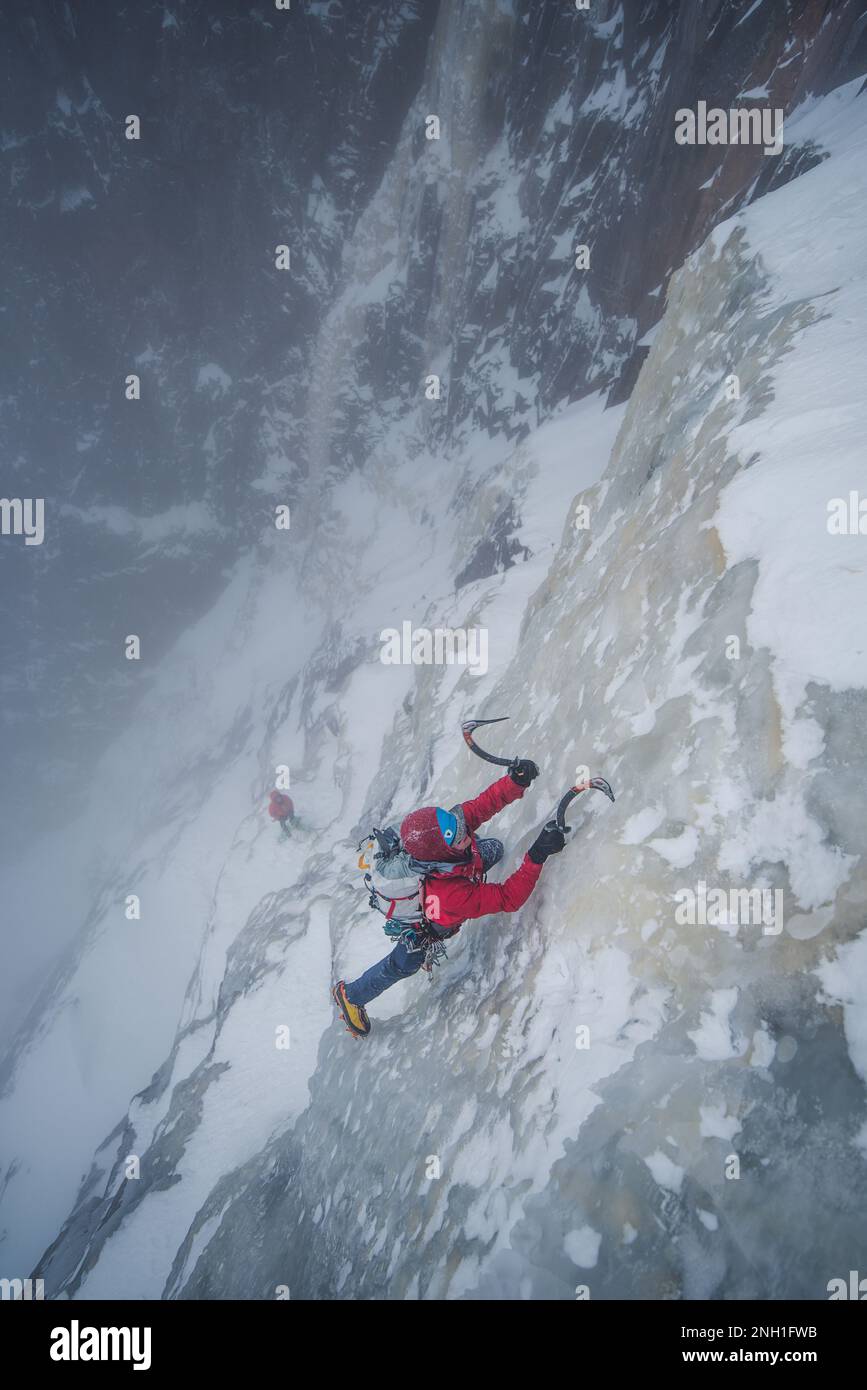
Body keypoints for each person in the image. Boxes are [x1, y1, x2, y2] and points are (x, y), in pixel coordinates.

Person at [332, 760, 566, 1037]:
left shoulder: (450, 830)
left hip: (458, 873)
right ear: (439, 856)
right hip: (428, 926)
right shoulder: (452, 896)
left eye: (461, 829)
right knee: (404, 963)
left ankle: (475, 862)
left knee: (493, 848)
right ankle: (353, 996)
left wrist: (515, 782)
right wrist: (536, 856)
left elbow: (483, 804)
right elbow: (507, 898)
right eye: (457, 839)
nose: (466, 835)